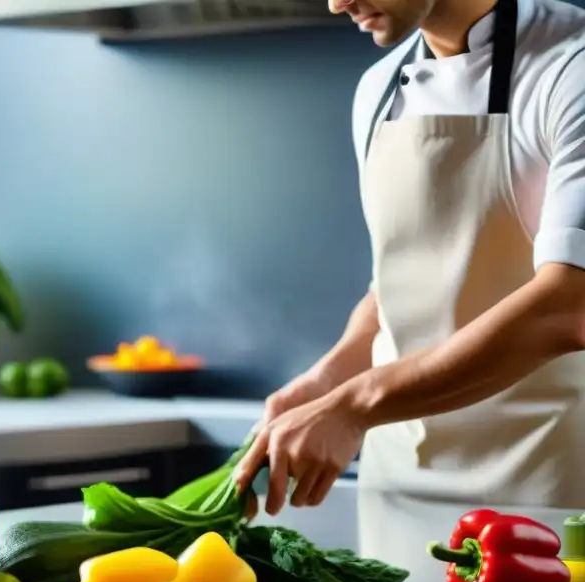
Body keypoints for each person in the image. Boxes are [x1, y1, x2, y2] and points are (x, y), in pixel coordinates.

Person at [233, 0, 585, 514]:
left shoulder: (571, 67)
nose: (336, 3)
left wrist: (353, 406)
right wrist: (329, 379)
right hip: (396, 485)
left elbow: (568, 304)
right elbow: (395, 287)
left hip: (546, 489)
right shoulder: (377, 90)